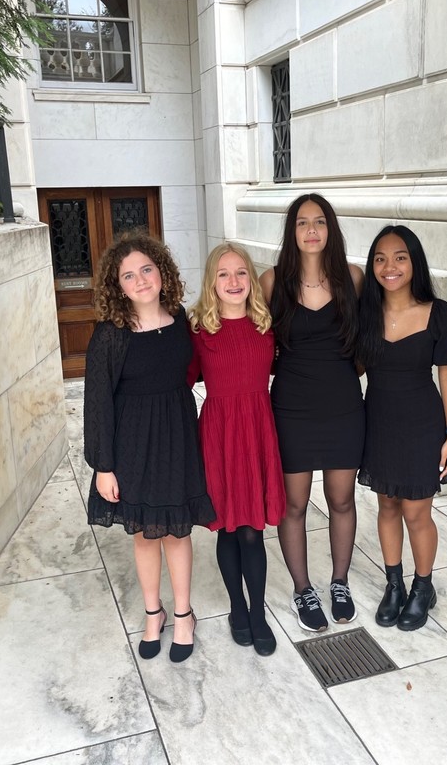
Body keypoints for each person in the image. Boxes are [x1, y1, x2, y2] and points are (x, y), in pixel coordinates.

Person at [83, 231, 215, 663]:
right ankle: (153, 614)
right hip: (132, 444)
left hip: (176, 435)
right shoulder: (110, 335)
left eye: (146, 269)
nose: (140, 280)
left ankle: (183, 615)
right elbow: (98, 402)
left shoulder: (179, 319)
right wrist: (104, 466)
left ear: (162, 272)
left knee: (177, 531)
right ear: (116, 286)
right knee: (144, 534)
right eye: (128, 275)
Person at [259, 194, 364, 632]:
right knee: (294, 505)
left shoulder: (353, 279)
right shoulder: (270, 282)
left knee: (341, 499)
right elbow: (258, 344)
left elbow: (365, 344)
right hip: (292, 408)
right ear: (292, 231)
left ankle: (339, 581)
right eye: (302, 223)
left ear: (330, 228)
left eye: (319, 222)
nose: (311, 230)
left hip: (342, 405)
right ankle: (303, 588)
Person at [356, 225, 447, 631]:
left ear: (414, 262)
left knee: (417, 512)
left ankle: (423, 588)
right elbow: (355, 368)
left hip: (423, 422)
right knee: (386, 504)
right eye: (381, 258)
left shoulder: (439, 313)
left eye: (400, 257)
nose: (390, 266)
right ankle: (394, 585)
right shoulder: (366, 314)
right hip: (379, 420)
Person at [188, 242, 286, 656]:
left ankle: (259, 613)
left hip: (257, 430)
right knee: (228, 527)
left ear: (252, 279)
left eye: (241, 272)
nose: (233, 281)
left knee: (253, 531)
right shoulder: (199, 331)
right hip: (219, 433)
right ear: (212, 281)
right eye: (223, 274)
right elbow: (178, 382)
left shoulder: (266, 326)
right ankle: (236, 608)